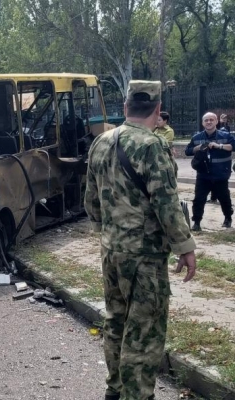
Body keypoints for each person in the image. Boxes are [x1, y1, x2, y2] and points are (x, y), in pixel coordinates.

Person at [85, 80, 197, 400]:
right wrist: (184, 246)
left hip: (111, 250)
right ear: (158, 109)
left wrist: (110, 232)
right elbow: (166, 203)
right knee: (145, 331)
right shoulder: (152, 145)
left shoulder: (101, 142)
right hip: (145, 257)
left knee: (116, 321)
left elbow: (91, 201)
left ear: (125, 108)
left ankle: (115, 389)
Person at [184, 112, 234, 230]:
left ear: (216, 121)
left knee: (224, 198)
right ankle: (196, 223)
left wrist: (219, 146)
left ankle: (228, 218)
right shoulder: (197, 137)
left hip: (221, 174)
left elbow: (233, 146)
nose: (209, 122)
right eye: (206, 120)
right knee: (199, 199)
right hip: (203, 175)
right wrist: (197, 148)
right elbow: (187, 151)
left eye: (211, 120)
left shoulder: (225, 136)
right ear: (202, 123)